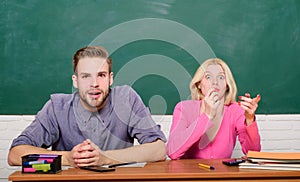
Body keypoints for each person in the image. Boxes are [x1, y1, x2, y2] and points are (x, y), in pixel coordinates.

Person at [8, 46, 167, 167]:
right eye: (85, 76)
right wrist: (68, 158)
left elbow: (159, 150)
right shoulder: (57, 108)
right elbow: (15, 155)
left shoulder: (126, 99)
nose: (94, 84)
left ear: (110, 79)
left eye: (101, 75)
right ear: (75, 80)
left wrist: (104, 157)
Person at [167, 58, 261, 159]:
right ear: (199, 84)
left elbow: (253, 153)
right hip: (190, 174)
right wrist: (207, 116)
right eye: (208, 77)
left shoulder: (235, 111)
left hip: (221, 174)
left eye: (221, 77)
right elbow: (173, 152)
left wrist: (250, 119)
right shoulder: (184, 108)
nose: (215, 82)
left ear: (227, 85)